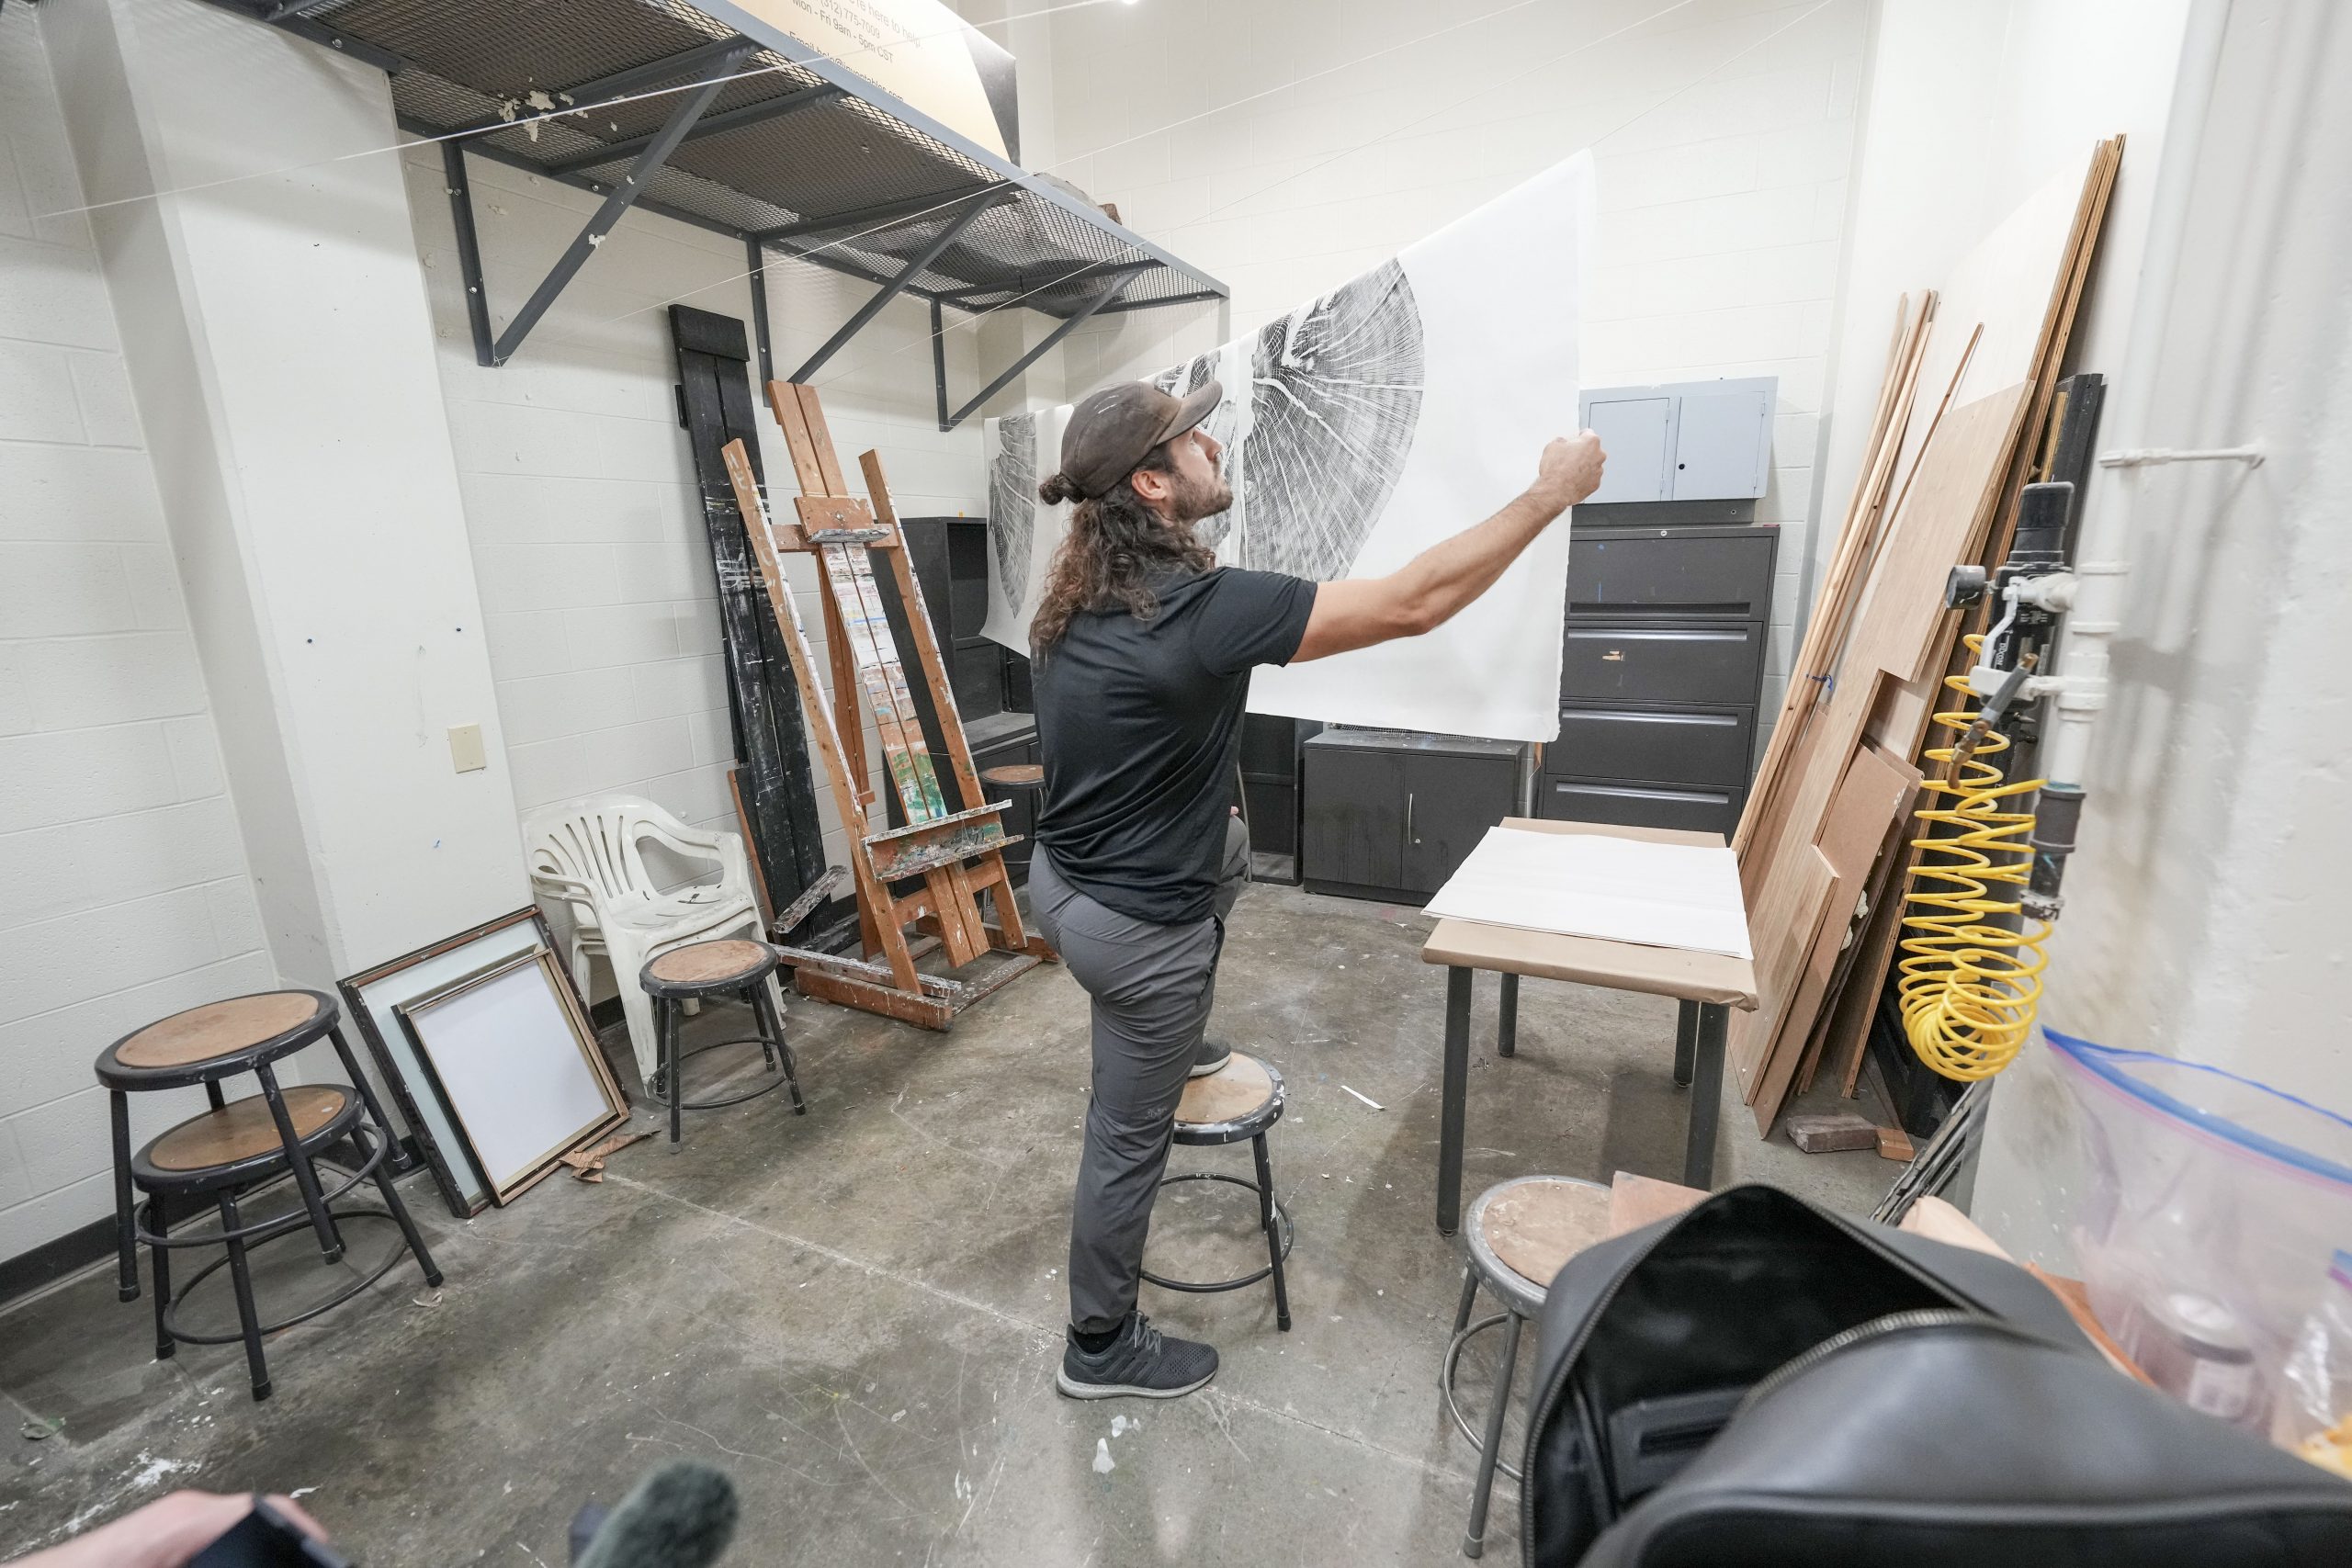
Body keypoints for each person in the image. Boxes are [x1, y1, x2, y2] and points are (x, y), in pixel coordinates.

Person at [1026, 378, 1606, 1398]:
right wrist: (1547, 493)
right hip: (1137, 934)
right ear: (1153, 486)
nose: (1212, 440)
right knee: (1125, 1139)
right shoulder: (1203, 612)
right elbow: (1415, 601)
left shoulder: (1076, 599)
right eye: (1187, 436)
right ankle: (1098, 1347)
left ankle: (1178, 1029)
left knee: (1234, 844)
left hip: (1062, 883)